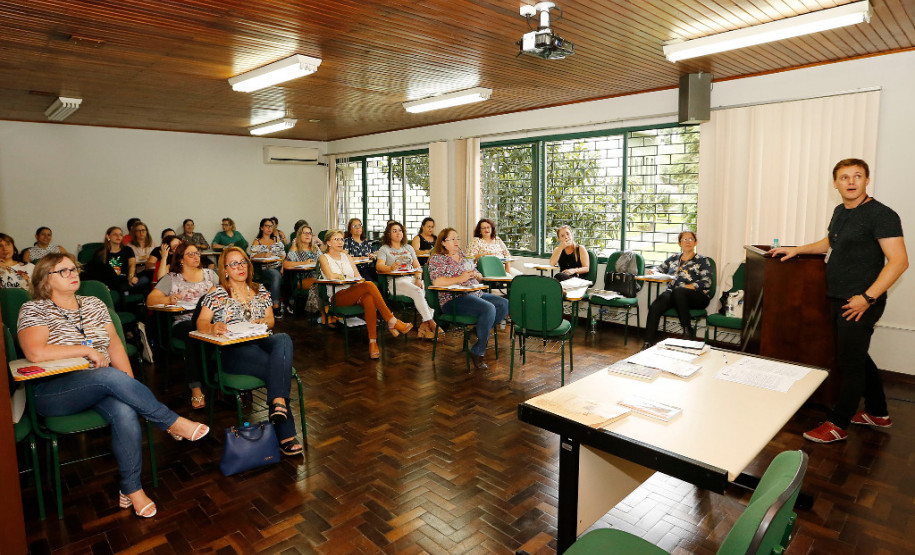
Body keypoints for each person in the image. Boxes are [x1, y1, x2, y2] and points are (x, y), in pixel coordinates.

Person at [18, 253, 209, 518]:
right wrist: (86, 351)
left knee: (125, 409)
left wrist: (129, 389)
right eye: (63, 271)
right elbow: (35, 352)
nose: (73, 273)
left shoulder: (94, 304)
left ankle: (132, 489)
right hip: (54, 391)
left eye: (74, 269)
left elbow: (115, 346)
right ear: (44, 279)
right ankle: (169, 422)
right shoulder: (34, 309)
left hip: (103, 383)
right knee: (106, 375)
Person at [771, 159, 908, 444]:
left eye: (857, 176)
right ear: (835, 183)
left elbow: (899, 262)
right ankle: (877, 412)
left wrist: (867, 298)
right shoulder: (840, 211)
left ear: (867, 180)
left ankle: (838, 422)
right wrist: (796, 250)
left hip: (860, 301)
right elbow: (829, 243)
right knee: (855, 354)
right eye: (844, 177)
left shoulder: (881, 214)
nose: (850, 182)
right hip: (839, 296)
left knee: (850, 362)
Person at [196, 247, 303, 456]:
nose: (240, 267)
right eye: (233, 264)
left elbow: (271, 320)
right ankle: (284, 429)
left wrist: (264, 321)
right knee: (279, 369)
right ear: (225, 270)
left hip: (260, 341)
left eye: (243, 262)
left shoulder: (260, 289)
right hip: (233, 350)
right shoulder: (217, 293)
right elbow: (201, 322)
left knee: (283, 337)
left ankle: (277, 401)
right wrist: (213, 327)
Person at [319, 229, 412, 359]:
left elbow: (358, 277)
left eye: (341, 239)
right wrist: (346, 276)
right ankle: (391, 320)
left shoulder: (348, 257)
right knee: (369, 284)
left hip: (353, 291)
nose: (340, 242)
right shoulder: (324, 258)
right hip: (337, 296)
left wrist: (355, 280)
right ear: (328, 242)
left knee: (368, 297)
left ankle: (372, 342)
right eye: (336, 239)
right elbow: (330, 276)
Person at [146, 242, 217, 409]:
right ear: (180, 260)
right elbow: (150, 300)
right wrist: (167, 299)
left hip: (209, 320)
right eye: (190, 254)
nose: (196, 256)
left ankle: (217, 379)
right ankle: (196, 387)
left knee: (219, 330)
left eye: (197, 253)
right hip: (184, 322)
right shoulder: (171, 279)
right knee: (194, 334)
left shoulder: (210, 275)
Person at [428, 228, 508, 370]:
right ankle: (478, 351)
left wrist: (477, 275)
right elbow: (437, 282)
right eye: (452, 239)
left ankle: (478, 331)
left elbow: (476, 272)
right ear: (443, 243)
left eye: (457, 238)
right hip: (452, 299)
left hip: (474, 293)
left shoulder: (462, 255)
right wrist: (460, 278)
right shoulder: (437, 259)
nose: (456, 242)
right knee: (488, 308)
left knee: (504, 304)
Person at [642, 231, 711, 346]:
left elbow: (707, 282)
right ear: (679, 243)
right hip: (674, 294)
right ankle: (647, 343)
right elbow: (660, 269)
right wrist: (653, 271)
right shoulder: (674, 258)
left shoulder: (702, 260)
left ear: (695, 242)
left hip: (697, 296)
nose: (687, 242)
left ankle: (687, 329)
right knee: (655, 307)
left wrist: (687, 287)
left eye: (690, 239)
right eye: (684, 239)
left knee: (679, 291)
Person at [375, 221, 439, 339]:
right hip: (396, 282)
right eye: (394, 231)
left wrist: (418, 279)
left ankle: (424, 326)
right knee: (418, 292)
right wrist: (390, 267)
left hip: (411, 279)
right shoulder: (384, 249)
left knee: (429, 290)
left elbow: (417, 267)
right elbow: (379, 266)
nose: (398, 233)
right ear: (388, 234)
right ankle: (431, 323)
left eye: (400, 230)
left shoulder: (408, 248)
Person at [85, 226, 148, 294]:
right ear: (108, 236)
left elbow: (132, 265)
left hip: (125, 279)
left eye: (120, 235)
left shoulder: (127, 250)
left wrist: (131, 276)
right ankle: (123, 292)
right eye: (115, 234)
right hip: (109, 281)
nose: (118, 236)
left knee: (145, 279)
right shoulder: (100, 252)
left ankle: (124, 291)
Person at [249, 218, 286, 316]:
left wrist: (283, 265)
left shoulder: (276, 239)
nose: (269, 228)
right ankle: (276, 305)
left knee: (289, 273)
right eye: (267, 226)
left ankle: (290, 303)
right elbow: (252, 257)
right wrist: (262, 254)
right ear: (262, 228)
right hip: (266, 268)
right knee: (276, 275)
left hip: (279, 265)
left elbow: (283, 254)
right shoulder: (257, 241)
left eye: (271, 226)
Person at [283, 224, 322, 315]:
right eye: (305, 233)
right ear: (299, 235)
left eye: (309, 233)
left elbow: (323, 260)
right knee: (321, 283)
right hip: (302, 279)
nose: (308, 235)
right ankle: (319, 312)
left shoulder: (315, 248)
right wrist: (304, 262)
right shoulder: (295, 248)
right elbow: (286, 264)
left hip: (317, 275)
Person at [343, 218, 377, 283]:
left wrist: (373, 255)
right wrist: (360, 258)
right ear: (350, 230)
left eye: (359, 225)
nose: (358, 228)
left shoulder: (366, 243)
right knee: (369, 284)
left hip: (369, 269)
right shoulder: (347, 242)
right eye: (354, 226)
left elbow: (376, 253)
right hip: (355, 270)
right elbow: (344, 257)